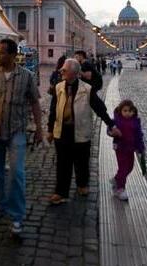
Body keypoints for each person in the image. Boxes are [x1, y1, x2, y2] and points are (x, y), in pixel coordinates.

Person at [0, 38, 43, 235]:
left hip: (17, 131)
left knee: (17, 174)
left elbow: (35, 104)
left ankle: (16, 216)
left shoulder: (26, 76)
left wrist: (39, 128)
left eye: (3, 52)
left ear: (14, 55)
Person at [47, 58, 118, 204]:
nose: (61, 71)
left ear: (73, 73)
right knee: (62, 163)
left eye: (64, 70)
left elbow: (100, 108)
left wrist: (111, 125)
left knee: (82, 161)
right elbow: (53, 110)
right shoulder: (59, 87)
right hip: (62, 130)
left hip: (80, 129)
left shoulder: (87, 89)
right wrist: (49, 130)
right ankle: (61, 192)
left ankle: (82, 184)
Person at [109, 99, 145, 201]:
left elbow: (139, 136)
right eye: (125, 111)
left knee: (130, 167)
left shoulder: (135, 121)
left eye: (130, 111)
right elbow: (110, 128)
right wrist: (112, 132)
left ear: (133, 111)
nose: (127, 113)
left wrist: (141, 148)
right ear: (121, 111)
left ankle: (116, 179)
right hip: (120, 148)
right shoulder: (117, 120)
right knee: (123, 168)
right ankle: (120, 188)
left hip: (130, 148)